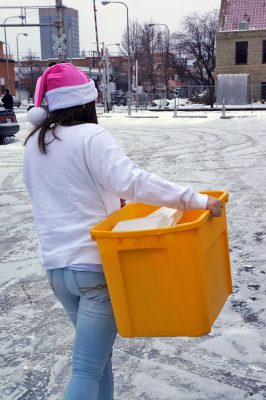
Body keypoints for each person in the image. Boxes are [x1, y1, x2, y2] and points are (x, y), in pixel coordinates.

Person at [23, 63, 222, 400]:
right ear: (86, 101)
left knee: (100, 363)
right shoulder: (90, 135)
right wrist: (193, 199)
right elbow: (130, 181)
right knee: (87, 370)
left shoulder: (34, 144)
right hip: (94, 273)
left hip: (58, 271)